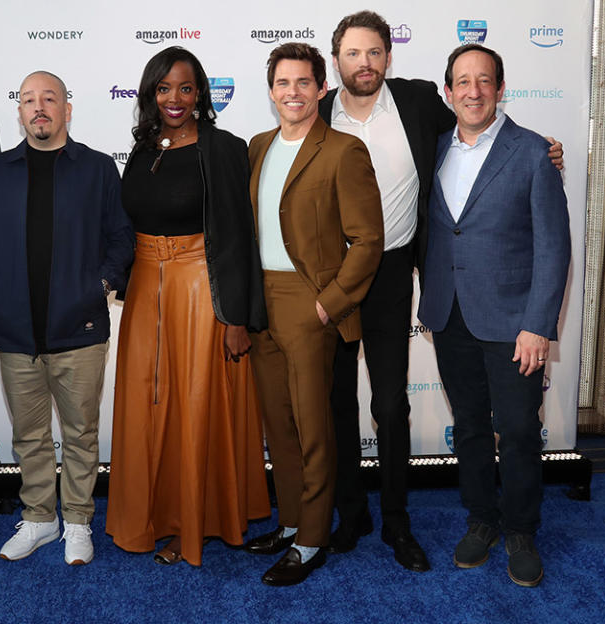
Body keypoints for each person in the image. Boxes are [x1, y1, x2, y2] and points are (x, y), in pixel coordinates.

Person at [314, 11, 566, 572]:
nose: (365, 63)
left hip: (403, 277)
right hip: (336, 281)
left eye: (375, 52)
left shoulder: (418, 104)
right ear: (337, 61)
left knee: (401, 406)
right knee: (343, 403)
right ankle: (357, 513)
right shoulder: (318, 113)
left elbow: (487, 130)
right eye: (353, 53)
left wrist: (543, 153)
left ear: (388, 57)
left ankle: (419, 524)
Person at [106, 46, 271, 567]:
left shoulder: (223, 148)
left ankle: (193, 523)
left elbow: (239, 236)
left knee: (194, 406)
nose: (174, 99)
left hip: (202, 289)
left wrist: (236, 316)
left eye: (184, 88)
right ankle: (151, 515)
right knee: (147, 405)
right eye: (163, 89)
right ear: (150, 94)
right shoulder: (143, 147)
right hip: (144, 294)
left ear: (200, 92)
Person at [418, 44, 571, 588]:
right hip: (450, 316)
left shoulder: (532, 152)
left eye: (485, 80)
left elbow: (554, 248)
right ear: (448, 92)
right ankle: (482, 519)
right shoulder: (433, 150)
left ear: (500, 88)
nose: (474, 91)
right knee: (472, 433)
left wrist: (537, 325)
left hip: (514, 324)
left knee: (519, 432)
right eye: (463, 81)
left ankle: (522, 531)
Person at [0, 71, 134, 565]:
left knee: (81, 432)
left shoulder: (98, 168)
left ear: (67, 107)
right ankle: (40, 519)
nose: (38, 107)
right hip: (18, 329)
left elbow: (121, 238)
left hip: (80, 328)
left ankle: (79, 522)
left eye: (49, 98)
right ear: (18, 110)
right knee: (29, 434)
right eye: (28, 100)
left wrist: (100, 287)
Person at [245, 42, 384, 586]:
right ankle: (290, 523)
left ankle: (312, 539)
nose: (293, 93)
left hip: (311, 301)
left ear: (321, 88)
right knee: (278, 423)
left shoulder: (343, 150)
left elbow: (368, 240)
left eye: (304, 82)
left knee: (312, 427)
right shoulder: (257, 146)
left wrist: (329, 304)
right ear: (272, 90)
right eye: (283, 83)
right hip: (262, 302)